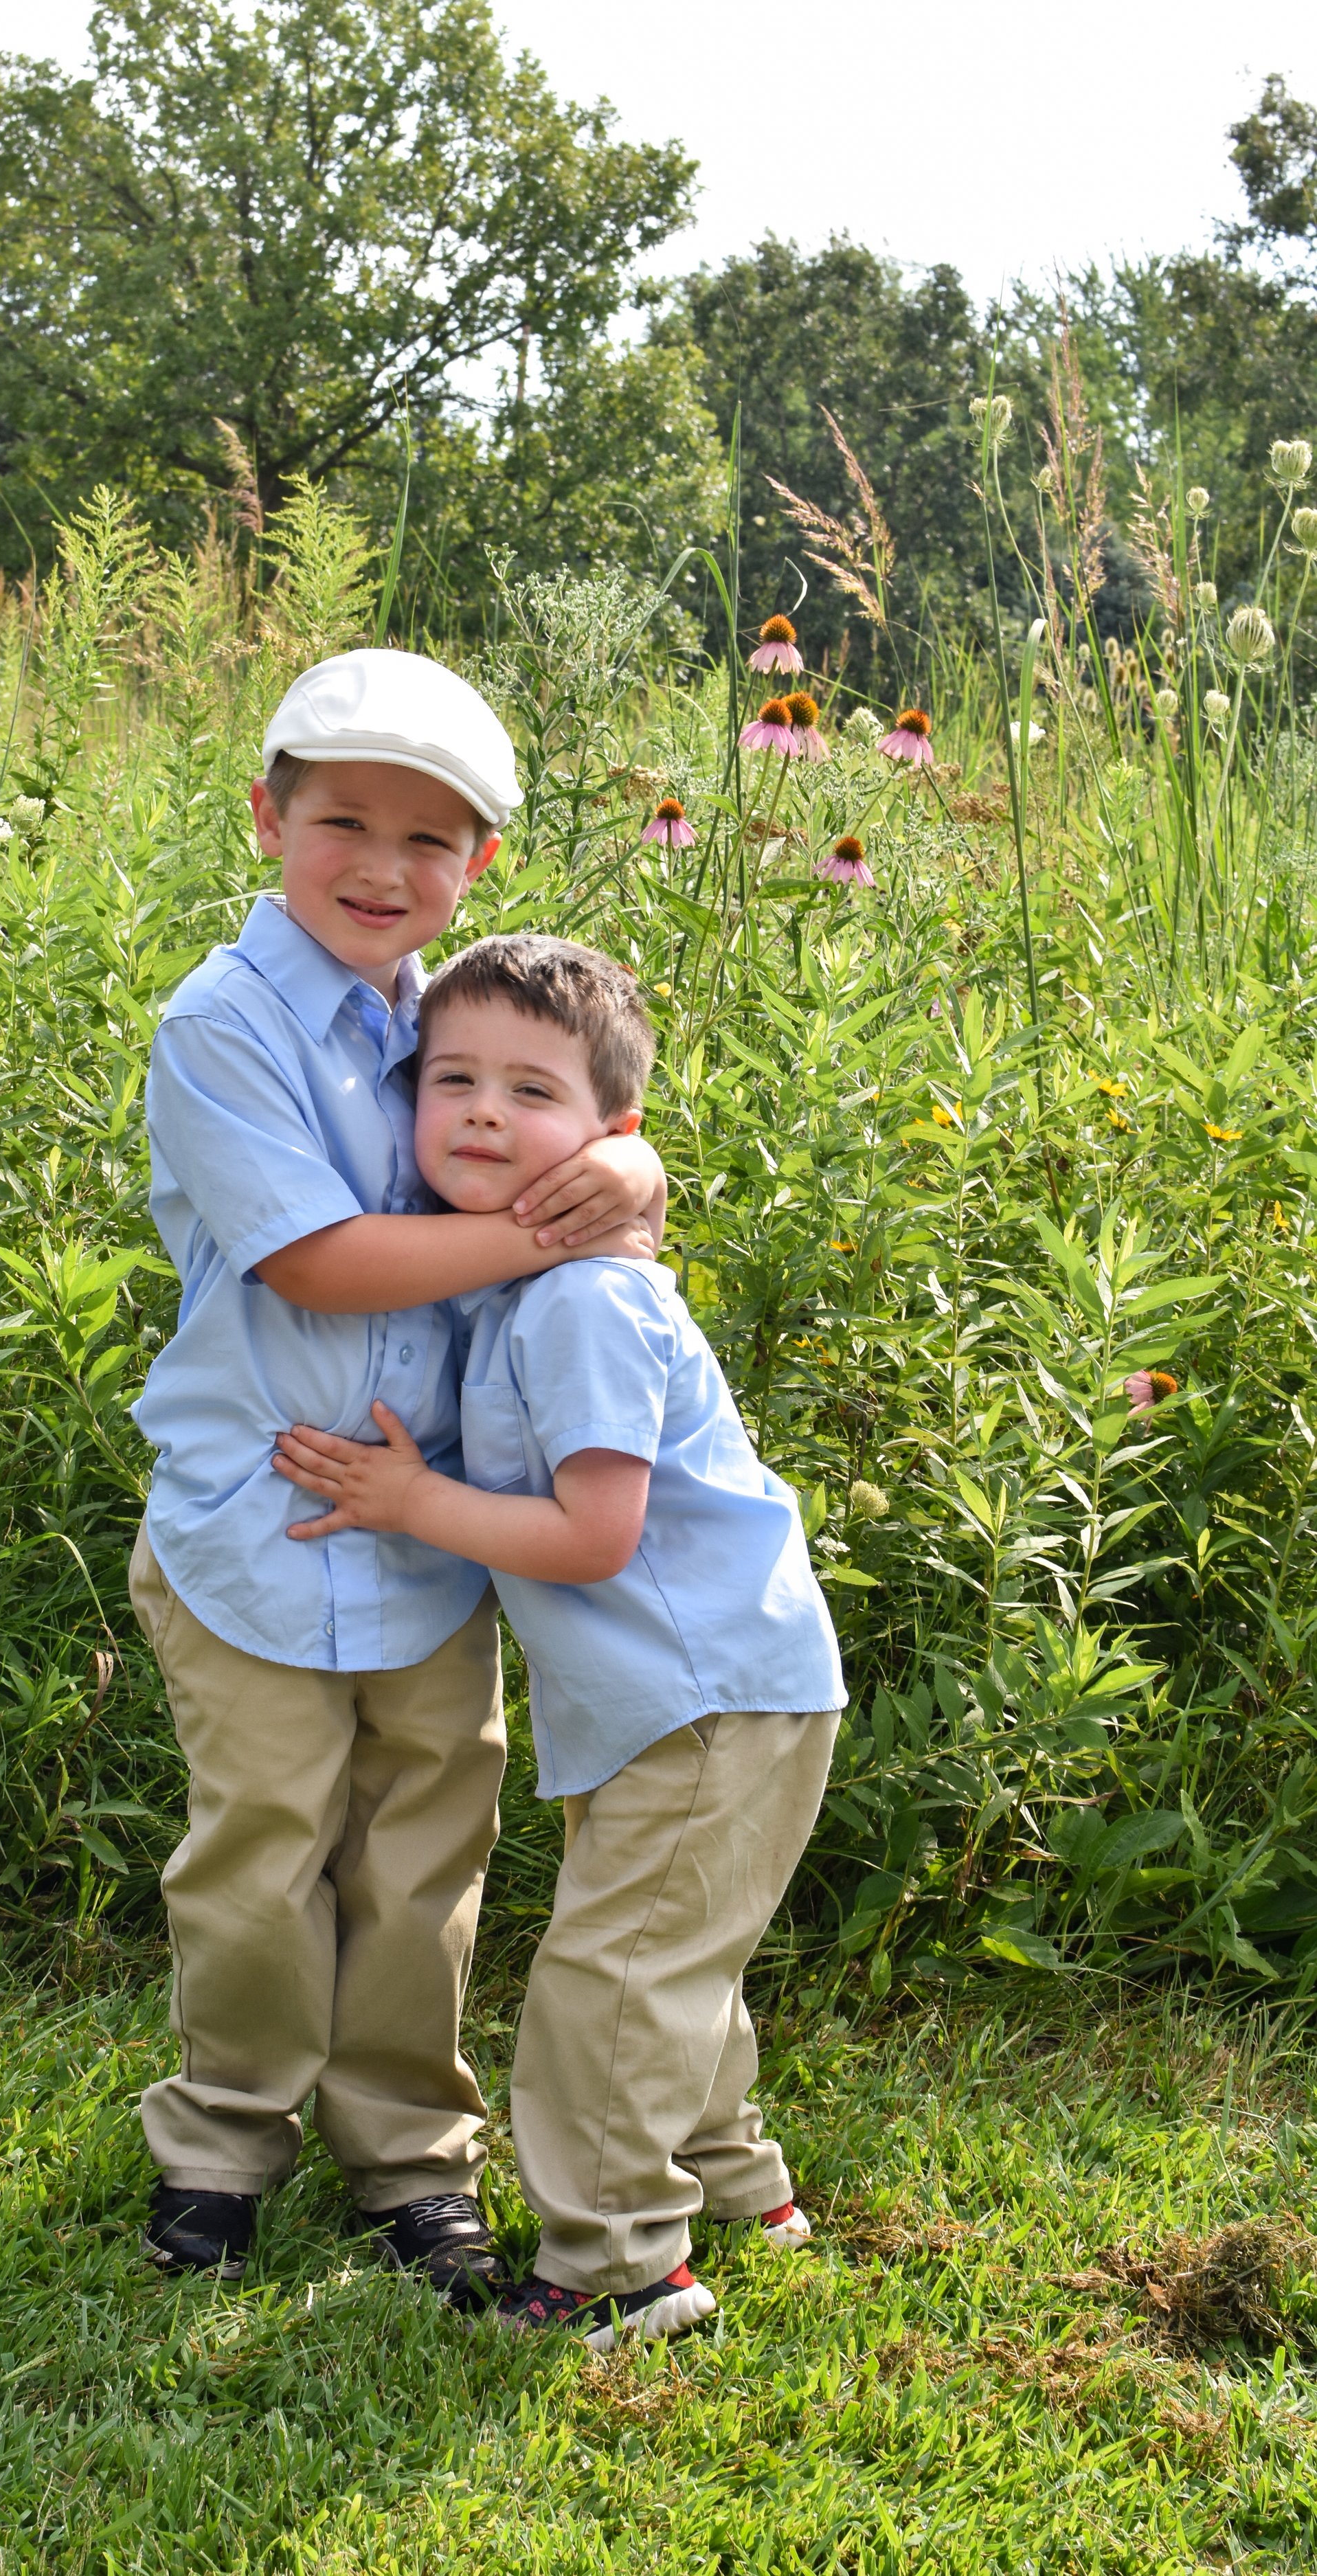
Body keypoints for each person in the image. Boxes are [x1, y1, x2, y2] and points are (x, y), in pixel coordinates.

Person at [128, 656, 666, 2305]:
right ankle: (223, 2140)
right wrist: (557, 1228)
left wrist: (631, 1162)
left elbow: (589, 1117)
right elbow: (314, 1259)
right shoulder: (222, 1025)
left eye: (426, 838)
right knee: (260, 1849)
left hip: (431, 1534)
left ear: (478, 862)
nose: (380, 867)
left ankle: (409, 2161)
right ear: (265, 816)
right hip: (262, 1518)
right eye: (341, 822)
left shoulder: (454, 1022)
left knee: (423, 1856)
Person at [273, 934, 844, 2350]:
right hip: (691, 1689)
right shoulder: (527, 1283)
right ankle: (734, 2182)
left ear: (609, 1135)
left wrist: (411, 1500)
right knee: (667, 1955)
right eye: (452, 1080)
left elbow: (595, 1533)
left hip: (704, 1693)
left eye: (531, 1092)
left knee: (613, 1981)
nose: (482, 1113)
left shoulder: (583, 1301)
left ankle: (617, 2264)